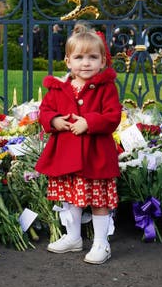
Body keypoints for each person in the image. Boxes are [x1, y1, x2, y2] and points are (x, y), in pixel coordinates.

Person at [35, 24, 121, 265]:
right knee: (70, 197)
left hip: (96, 156)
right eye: (79, 57)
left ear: (103, 61)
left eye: (93, 57)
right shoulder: (58, 88)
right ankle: (73, 237)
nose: (86, 63)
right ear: (67, 61)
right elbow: (45, 110)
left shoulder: (106, 87)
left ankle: (101, 243)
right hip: (66, 154)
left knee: (98, 201)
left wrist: (90, 123)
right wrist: (54, 120)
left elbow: (113, 116)